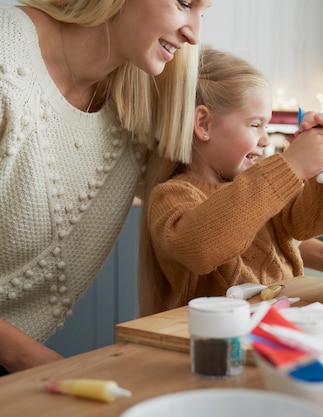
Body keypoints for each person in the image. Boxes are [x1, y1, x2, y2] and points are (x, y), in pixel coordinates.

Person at [0, 0, 210, 375]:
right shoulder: (6, 53)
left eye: (203, 12)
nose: (194, 33)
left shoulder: (141, 103)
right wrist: (33, 362)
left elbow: (212, 212)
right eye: (183, 3)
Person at [138, 47, 323, 316]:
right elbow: (202, 248)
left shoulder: (261, 185)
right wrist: (291, 164)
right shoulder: (171, 195)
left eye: (267, 127)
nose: (264, 139)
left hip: (282, 325)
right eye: (255, 124)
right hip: (219, 341)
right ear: (203, 123)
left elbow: (311, 223)